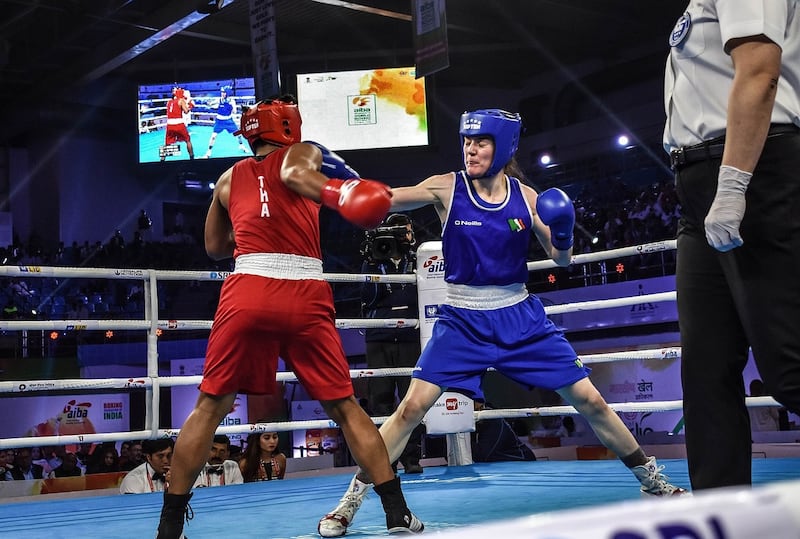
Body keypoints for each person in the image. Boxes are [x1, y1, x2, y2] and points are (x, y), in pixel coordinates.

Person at [318, 108, 687, 537]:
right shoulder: (447, 186)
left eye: (481, 142)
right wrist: (340, 189)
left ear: (505, 146)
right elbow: (390, 198)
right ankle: (349, 502)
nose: (470, 150)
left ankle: (651, 481)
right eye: (467, 142)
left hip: (520, 316)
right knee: (411, 409)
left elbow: (561, 259)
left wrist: (563, 232)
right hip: (462, 319)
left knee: (592, 401)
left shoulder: (527, 198)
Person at [155, 95, 423, 539]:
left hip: (247, 288)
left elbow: (215, 247)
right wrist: (342, 193)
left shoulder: (227, 178)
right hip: (303, 291)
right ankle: (396, 512)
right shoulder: (303, 152)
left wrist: (253, 221)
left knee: (209, 407)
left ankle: (169, 527)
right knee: (345, 407)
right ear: (288, 127)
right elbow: (295, 174)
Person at [663, 2, 800, 490]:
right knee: (706, 369)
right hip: (697, 183)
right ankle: (720, 512)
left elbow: (760, 70)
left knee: (789, 363)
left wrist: (734, 183)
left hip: (752, 167)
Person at [360, 213, 424, 474]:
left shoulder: (418, 259)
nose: (408, 236)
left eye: (408, 231)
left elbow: (419, 295)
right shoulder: (374, 259)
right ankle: (385, 459)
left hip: (410, 337)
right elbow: (368, 296)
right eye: (404, 231)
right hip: (379, 337)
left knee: (413, 400)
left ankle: (412, 458)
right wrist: (372, 262)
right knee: (381, 401)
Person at [471, 401, 536, 463]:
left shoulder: (491, 418)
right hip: (499, 464)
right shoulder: (472, 420)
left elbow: (481, 455)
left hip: (520, 462)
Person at [201, 85, 249, 158]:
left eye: (224, 92)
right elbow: (211, 104)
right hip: (219, 121)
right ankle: (208, 152)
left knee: (238, 134)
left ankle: (241, 145)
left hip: (229, 121)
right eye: (222, 92)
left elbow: (235, 111)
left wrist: (231, 106)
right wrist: (208, 103)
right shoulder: (219, 100)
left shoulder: (232, 101)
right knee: (213, 136)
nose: (222, 94)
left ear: (227, 93)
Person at [160, 87, 195, 161]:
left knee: (167, 143)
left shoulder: (169, 102)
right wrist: (190, 106)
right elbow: (186, 111)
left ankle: (162, 160)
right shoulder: (181, 100)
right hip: (179, 124)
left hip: (169, 125)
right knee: (188, 140)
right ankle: (192, 158)